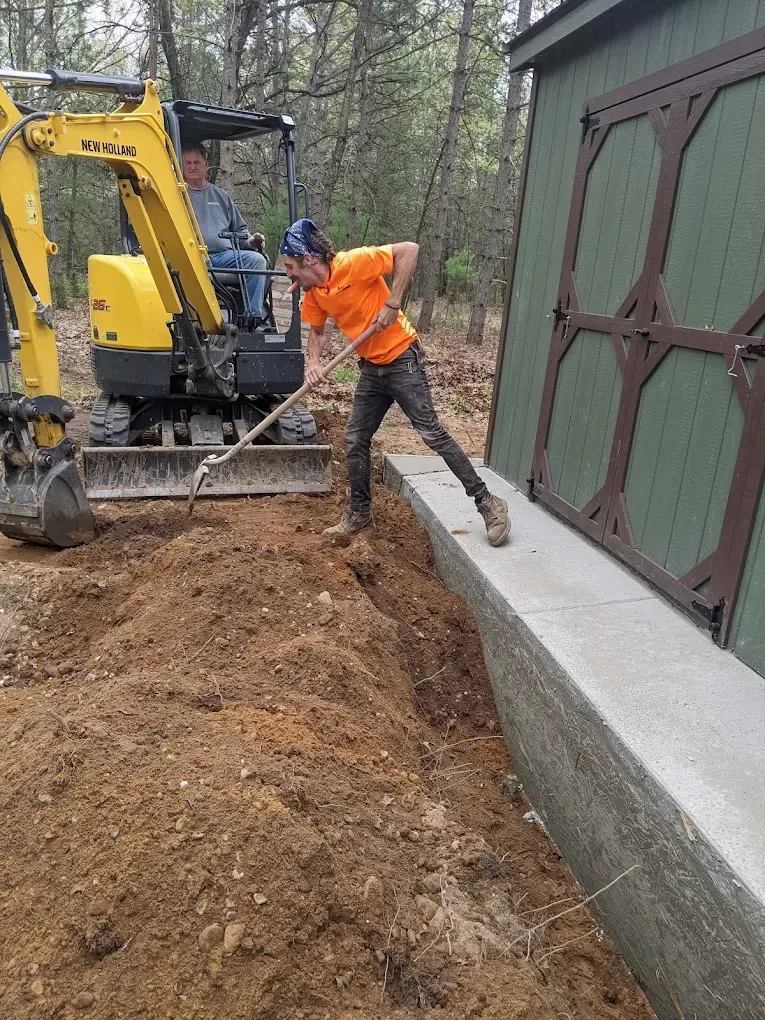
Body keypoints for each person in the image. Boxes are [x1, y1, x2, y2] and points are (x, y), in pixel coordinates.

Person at [280, 218, 510, 546]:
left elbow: (409, 250)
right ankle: (360, 516)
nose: (289, 275)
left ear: (309, 259)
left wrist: (393, 302)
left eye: (290, 266)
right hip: (371, 368)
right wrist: (313, 363)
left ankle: (489, 503)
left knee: (432, 433)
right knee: (356, 438)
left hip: (402, 358)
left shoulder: (354, 263)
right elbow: (317, 331)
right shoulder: (315, 293)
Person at [181, 142, 267, 322]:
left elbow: (240, 230)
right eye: (187, 163)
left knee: (258, 260)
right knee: (196, 269)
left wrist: (251, 241)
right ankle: (204, 321)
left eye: (196, 162)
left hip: (224, 256)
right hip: (193, 257)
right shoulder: (176, 194)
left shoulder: (220, 196)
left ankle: (252, 319)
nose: (192, 167)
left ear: (206, 165)